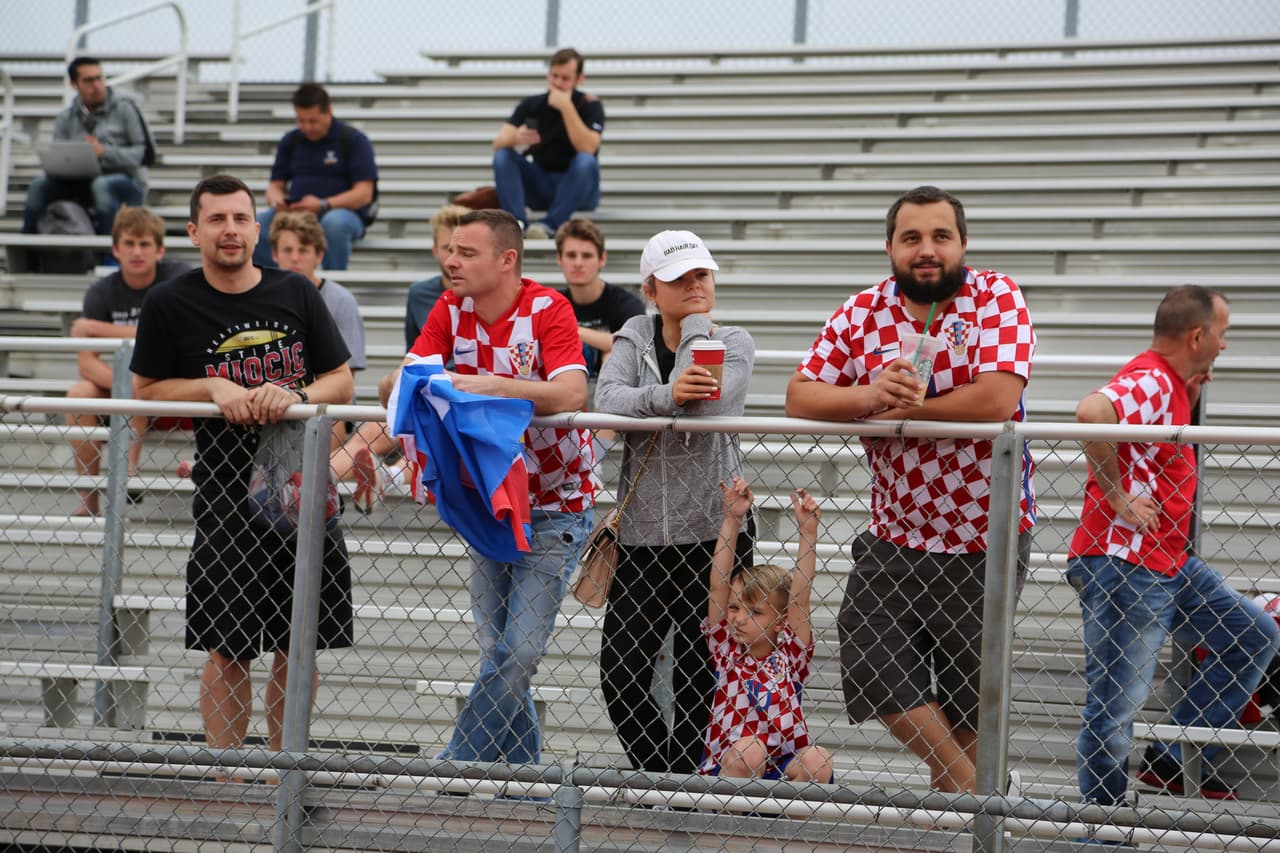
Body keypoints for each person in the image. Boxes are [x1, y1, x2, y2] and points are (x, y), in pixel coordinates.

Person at [784, 185, 1036, 794]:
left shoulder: (996, 295)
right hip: (895, 533)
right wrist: (871, 397)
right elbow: (800, 396)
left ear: (964, 244)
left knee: (966, 703)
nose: (927, 251)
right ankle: (980, 791)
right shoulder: (862, 310)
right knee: (871, 663)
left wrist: (913, 409)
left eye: (940, 237)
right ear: (890, 247)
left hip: (986, 535)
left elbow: (999, 397)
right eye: (912, 238)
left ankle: (964, 816)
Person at [131, 174, 355, 752]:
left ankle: (286, 776)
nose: (229, 230)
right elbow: (146, 392)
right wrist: (213, 387)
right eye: (216, 219)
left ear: (257, 228)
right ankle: (227, 777)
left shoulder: (297, 291)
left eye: (239, 218)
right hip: (224, 495)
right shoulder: (168, 301)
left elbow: (342, 379)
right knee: (227, 644)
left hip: (299, 491)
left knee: (296, 642)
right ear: (193, 230)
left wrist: (297, 396)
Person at [377, 208, 595, 764]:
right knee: (499, 653)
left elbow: (571, 393)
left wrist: (484, 385)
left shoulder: (550, 307)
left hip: (555, 503)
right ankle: (521, 781)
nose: (450, 261)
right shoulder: (451, 306)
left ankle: (459, 766)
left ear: (507, 260)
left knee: (517, 651)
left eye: (466, 253)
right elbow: (406, 376)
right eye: (450, 250)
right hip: (490, 502)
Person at [1068, 284, 1280, 806]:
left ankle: (1168, 756)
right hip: (1126, 565)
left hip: (1164, 562)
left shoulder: (1172, 382)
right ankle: (1104, 829)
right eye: (1223, 335)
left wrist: (1189, 385)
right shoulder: (1155, 381)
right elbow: (1092, 413)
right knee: (1114, 707)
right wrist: (1117, 494)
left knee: (1253, 635)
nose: (1225, 347)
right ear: (1197, 335)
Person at [594, 230, 757, 774]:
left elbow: (707, 409)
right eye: (677, 279)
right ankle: (657, 774)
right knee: (620, 672)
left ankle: (683, 784)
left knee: (698, 671)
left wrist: (692, 329)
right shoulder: (632, 335)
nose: (693, 286)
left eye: (701, 276)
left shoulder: (733, 339)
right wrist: (666, 396)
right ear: (650, 288)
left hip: (715, 532)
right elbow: (608, 401)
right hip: (641, 535)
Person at [701, 476, 834, 784]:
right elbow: (719, 584)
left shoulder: (790, 653)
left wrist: (808, 532)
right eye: (735, 608)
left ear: (780, 621)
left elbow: (800, 597)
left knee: (818, 759)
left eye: (755, 612)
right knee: (750, 751)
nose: (739, 619)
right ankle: (733, 829)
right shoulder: (726, 649)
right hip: (732, 760)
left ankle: (786, 831)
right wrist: (733, 519)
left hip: (786, 759)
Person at [67, 205, 190, 516]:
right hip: (130, 388)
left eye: (145, 244)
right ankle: (89, 497)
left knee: (138, 380)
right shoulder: (101, 291)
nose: (137, 252)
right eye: (129, 244)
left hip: (172, 387)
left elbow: (172, 331)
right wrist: (125, 383)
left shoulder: (176, 278)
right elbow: (86, 363)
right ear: (115, 250)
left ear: (160, 250)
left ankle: (126, 474)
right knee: (78, 395)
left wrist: (95, 328)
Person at [253, 83, 377, 271]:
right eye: (301, 121)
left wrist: (323, 204)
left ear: (329, 112)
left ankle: (332, 286)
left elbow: (364, 193)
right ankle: (273, 283)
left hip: (342, 213)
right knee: (257, 226)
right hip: (297, 213)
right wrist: (278, 201)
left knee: (334, 224)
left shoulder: (353, 140)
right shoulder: (291, 140)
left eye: (313, 121)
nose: (307, 127)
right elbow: (275, 186)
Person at [22, 56, 147, 236]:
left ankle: (108, 256)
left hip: (125, 181)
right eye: (89, 80)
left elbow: (140, 155)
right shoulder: (66, 117)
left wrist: (104, 152)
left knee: (101, 185)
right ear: (74, 84)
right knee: (38, 186)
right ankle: (27, 255)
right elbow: (59, 156)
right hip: (79, 183)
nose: (96, 85)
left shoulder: (125, 108)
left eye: (99, 78)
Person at [492, 47, 604, 239]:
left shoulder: (590, 105)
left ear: (579, 79)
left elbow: (588, 147)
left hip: (579, 188)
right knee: (503, 155)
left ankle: (549, 225)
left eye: (565, 78)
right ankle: (517, 225)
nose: (558, 83)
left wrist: (566, 107)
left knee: (586, 161)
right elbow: (498, 143)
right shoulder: (532, 104)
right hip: (542, 183)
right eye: (554, 76)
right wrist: (516, 138)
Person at [554, 217, 644, 381]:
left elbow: (633, 345)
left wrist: (573, 330)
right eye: (571, 255)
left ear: (602, 259)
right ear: (559, 259)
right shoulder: (551, 303)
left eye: (587, 256)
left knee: (611, 353)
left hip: (616, 388)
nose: (578, 263)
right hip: (565, 385)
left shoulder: (625, 302)